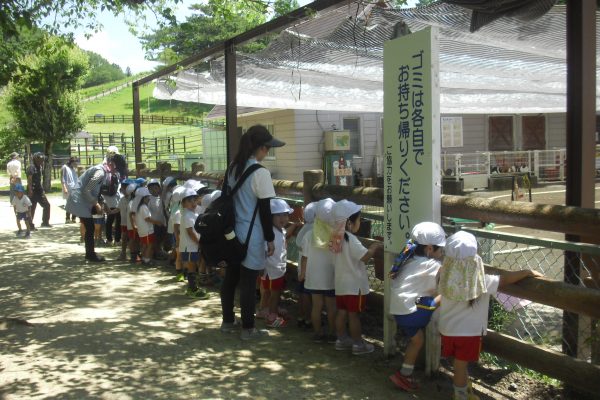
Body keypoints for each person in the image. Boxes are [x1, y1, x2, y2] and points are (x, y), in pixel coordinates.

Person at [438, 231, 542, 400]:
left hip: (447, 329)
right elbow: (505, 279)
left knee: (456, 361)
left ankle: (464, 387)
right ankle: (460, 395)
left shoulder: (444, 275)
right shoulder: (482, 281)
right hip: (468, 333)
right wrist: (525, 272)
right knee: (461, 366)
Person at [219, 124, 285, 340]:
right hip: (252, 233)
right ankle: (248, 329)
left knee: (231, 278)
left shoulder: (233, 167)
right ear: (261, 148)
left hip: (232, 232)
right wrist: (270, 238)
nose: (268, 152)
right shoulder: (260, 172)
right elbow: (265, 210)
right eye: (267, 148)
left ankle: (228, 321)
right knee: (248, 282)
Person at [388, 222, 446, 392]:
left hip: (399, 309)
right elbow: (445, 278)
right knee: (446, 295)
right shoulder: (432, 265)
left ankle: (404, 375)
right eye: (440, 249)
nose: (441, 253)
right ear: (429, 248)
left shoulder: (407, 258)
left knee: (417, 340)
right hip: (411, 312)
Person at [332, 199, 382, 355]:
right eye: (359, 219)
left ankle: (341, 339)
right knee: (354, 315)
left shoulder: (335, 238)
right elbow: (365, 258)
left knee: (341, 312)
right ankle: (358, 344)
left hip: (340, 284)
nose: (360, 222)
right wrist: (374, 247)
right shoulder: (350, 239)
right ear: (349, 223)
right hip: (354, 286)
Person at [66, 153, 128, 262]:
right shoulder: (100, 172)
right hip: (79, 200)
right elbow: (87, 190)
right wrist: (97, 204)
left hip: (85, 200)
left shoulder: (104, 173)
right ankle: (90, 255)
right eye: (117, 169)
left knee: (90, 227)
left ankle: (90, 253)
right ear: (111, 164)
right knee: (90, 227)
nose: (117, 172)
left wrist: (105, 205)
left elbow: (97, 192)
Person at [302, 199, 338, 342]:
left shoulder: (308, 235)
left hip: (313, 277)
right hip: (330, 277)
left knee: (316, 306)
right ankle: (332, 333)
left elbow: (304, 257)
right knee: (331, 307)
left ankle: (317, 333)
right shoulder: (336, 235)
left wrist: (302, 273)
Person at [257, 198, 294, 328]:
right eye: (278, 215)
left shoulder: (279, 230)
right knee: (274, 293)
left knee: (267, 291)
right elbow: (263, 251)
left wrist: (294, 226)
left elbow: (284, 236)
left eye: (285, 214)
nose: (282, 218)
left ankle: (263, 310)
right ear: (270, 217)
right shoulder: (270, 233)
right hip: (273, 269)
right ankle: (272, 317)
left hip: (274, 269)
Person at [179, 188, 209, 299]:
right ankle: (192, 289)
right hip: (190, 246)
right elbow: (190, 232)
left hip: (192, 246)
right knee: (191, 266)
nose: (193, 203)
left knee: (192, 266)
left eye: (194, 200)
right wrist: (199, 242)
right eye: (189, 201)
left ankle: (192, 287)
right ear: (183, 203)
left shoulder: (192, 213)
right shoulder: (187, 215)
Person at [294, 201, 316, 329]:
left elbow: (297, 243)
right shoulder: (314, 229)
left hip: (301, 268)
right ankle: (308, 319)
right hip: (308, 269)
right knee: (307, 295)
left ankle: (301, 316)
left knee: (302, 294)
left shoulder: (305, 228)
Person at [135, 187, 163, 266]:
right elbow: (147, 218)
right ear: (143, 198)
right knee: (149, 245)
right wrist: (157, 222)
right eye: (148, 197)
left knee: (144, 245)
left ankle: (143, 258)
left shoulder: (139, 207)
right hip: (147, 230)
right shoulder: (144, 207)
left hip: (143, 230)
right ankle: (147, 260)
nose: (149, 199)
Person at [26, 152, 51, 228]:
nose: (42, 161)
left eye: (42, 159)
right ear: (35, 159)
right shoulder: (31, 167)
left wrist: (42, 190)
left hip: (39, 190)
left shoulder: (39, 167)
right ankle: (30, 225)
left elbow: (39, 180)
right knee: (32, 207)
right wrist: (30, 190)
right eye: (40, 159)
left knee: (47, 205)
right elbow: (29, 179)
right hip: (33, 190)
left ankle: (45, 222)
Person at [61, 157, 79, 223]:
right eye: (75, 163)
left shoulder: (73, 169)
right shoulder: (65, 167)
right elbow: (62, 178)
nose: (76, 164)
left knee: (75, 203)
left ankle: (74, 218)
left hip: (75, 187)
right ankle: (67, 218)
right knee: (69, 203)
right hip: (68, 187)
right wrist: (64, 188)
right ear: (72, 162)